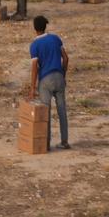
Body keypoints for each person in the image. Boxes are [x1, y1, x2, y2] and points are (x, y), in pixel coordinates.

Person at [27, 14, 71, 150]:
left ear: (35, 29)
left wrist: (32, 88)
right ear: (45, 27)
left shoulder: (34, 45)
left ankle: (46, 144)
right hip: (59, 76)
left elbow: (35, 68)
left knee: (46, 112)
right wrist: (63, 75)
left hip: (45, 80)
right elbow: (66, 58)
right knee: (62, 110)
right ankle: (64, 141)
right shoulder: (55, 38)